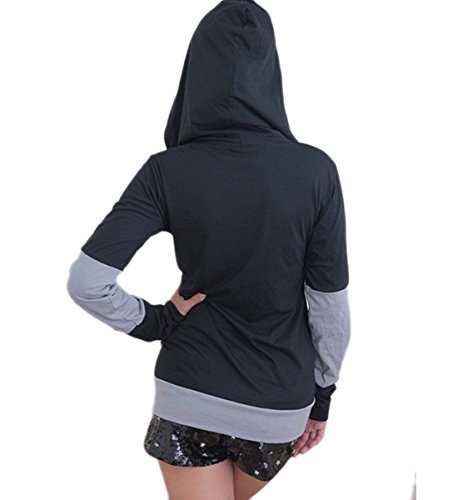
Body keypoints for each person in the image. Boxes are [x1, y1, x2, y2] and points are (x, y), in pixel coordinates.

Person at [66, 0, 351, 498]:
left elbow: (87, 282)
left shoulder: (166, 171)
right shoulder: (316, 172)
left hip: (189, 394)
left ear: (195, 73)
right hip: (278, 404)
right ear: (270, 72)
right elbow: (330, 306)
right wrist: (322, 395)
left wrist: (157, 322)